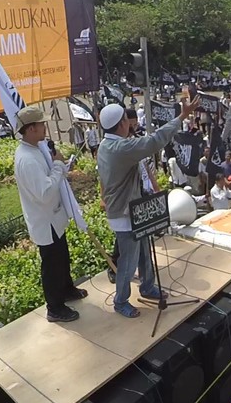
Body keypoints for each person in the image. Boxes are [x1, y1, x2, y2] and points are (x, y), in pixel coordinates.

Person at [97, 97, 199, 319]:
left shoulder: (106, 145)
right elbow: (155, 141)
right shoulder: (121, 148)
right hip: (125, 214)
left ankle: (147, 286)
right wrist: (181, 116)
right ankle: (120, 301)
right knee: (128, 261)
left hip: (133, 209)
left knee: (145, 250)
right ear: (122, 124)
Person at [13, 106, 85, 323]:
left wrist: (58, 165)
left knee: (62, 257)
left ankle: (67, 289)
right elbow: (44, 193)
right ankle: (54, 307)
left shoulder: (36, 149)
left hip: (53, 218)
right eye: (42, 124)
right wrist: (58, 167)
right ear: (31, 129)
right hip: (45, 221)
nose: (45, 127)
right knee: (52, 265)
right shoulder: (27, 159)